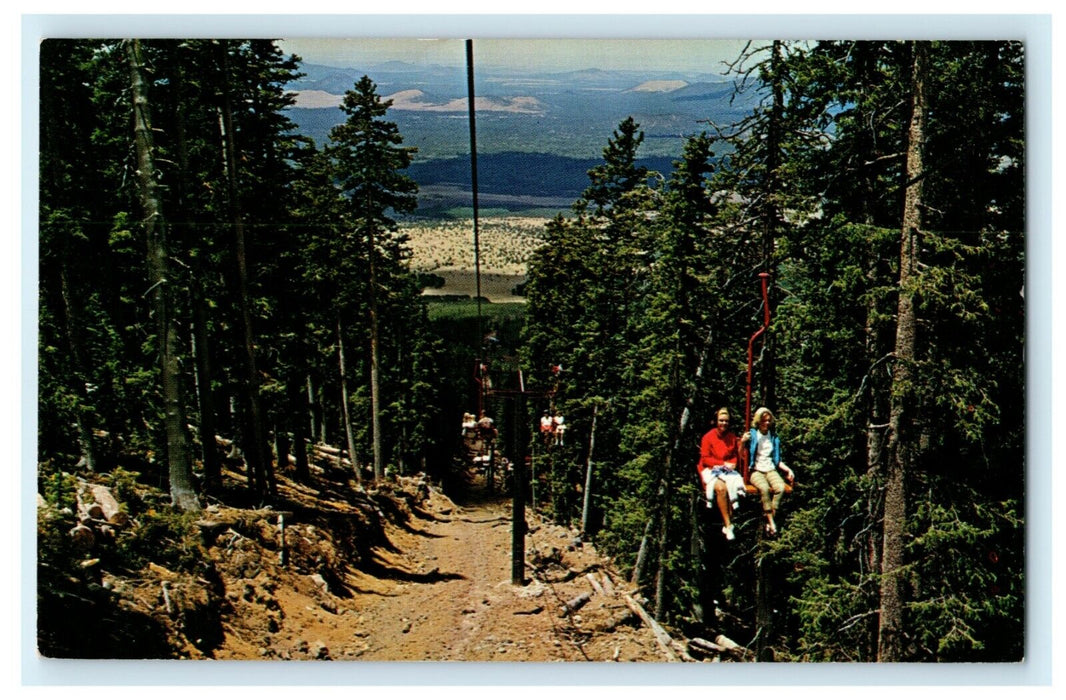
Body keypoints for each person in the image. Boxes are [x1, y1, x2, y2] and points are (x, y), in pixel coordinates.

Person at [741, 407, 795, 536]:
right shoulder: (753, 435)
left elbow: (777, 460)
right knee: (764, 489)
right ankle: (771, 523)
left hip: (770, 468)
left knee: (780, 488)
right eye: (764, 421)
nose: (766, 423)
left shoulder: (773, 437)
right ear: (758, 421)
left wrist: (788, 470)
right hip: (755, 470)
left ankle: (769, 521)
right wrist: (743, 443)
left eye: (768, 421)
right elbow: (742, 456)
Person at [696, 407, 745, 541]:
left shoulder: (731, 437)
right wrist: (723, 463)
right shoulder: (708, 437)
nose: (724, 424)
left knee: (734, 485)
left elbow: (734, 454)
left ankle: (728, 519)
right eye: (721, 421)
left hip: (726, 469)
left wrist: (732, 463)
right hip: (710, 468)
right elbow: (705, 458)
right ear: (716, 421)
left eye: (726, 421)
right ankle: (728, 525)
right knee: (721, 488)